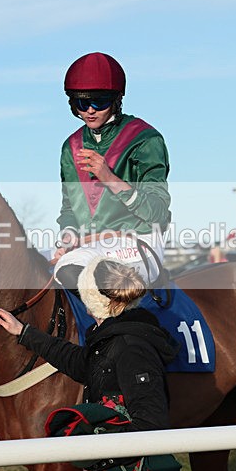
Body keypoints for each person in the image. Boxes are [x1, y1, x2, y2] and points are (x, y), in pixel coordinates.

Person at [0, 258, 186, 471]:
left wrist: (98, 458)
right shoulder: (113, 336)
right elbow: (80, 363)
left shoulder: (130, 347)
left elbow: (151, 423)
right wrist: (24, 332)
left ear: (93, 299)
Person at [53, 52, 172, 292]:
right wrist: (68, 235)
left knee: (80, 273)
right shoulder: (71, 146)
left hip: (138, 241)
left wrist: (110, 178)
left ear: (117, 100)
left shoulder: (145, 139)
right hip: (89, 246)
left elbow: (157, 212)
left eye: (99, 101)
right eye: (81, 103)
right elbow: (69, 208)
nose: (89, 110)